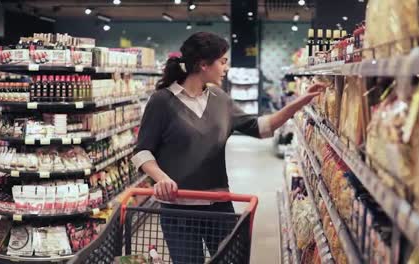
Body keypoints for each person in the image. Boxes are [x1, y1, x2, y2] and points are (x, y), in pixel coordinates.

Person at [131, 32, 325, 263]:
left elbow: (261, 127)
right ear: (203, 64)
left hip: (219, 205)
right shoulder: (162, 101)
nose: (227, 67)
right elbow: (142, 151)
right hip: (178, 209)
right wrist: (161, 178)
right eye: (222, 61)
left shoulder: (220, 99)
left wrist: (299, 102)